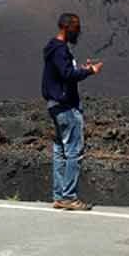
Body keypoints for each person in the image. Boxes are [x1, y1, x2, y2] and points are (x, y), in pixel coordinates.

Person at [41, 13, 102, 210]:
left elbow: (64, 73)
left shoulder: (54, 48)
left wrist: (80, 70)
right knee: (73, 150)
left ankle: (59, 195)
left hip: (54, 104)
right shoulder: (60, 50)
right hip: (66, 105)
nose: (78, 32)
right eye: (76, 28)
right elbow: (67, 75)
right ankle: (68, 196)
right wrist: (89, 71)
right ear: (67, 27)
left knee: (60, 149)